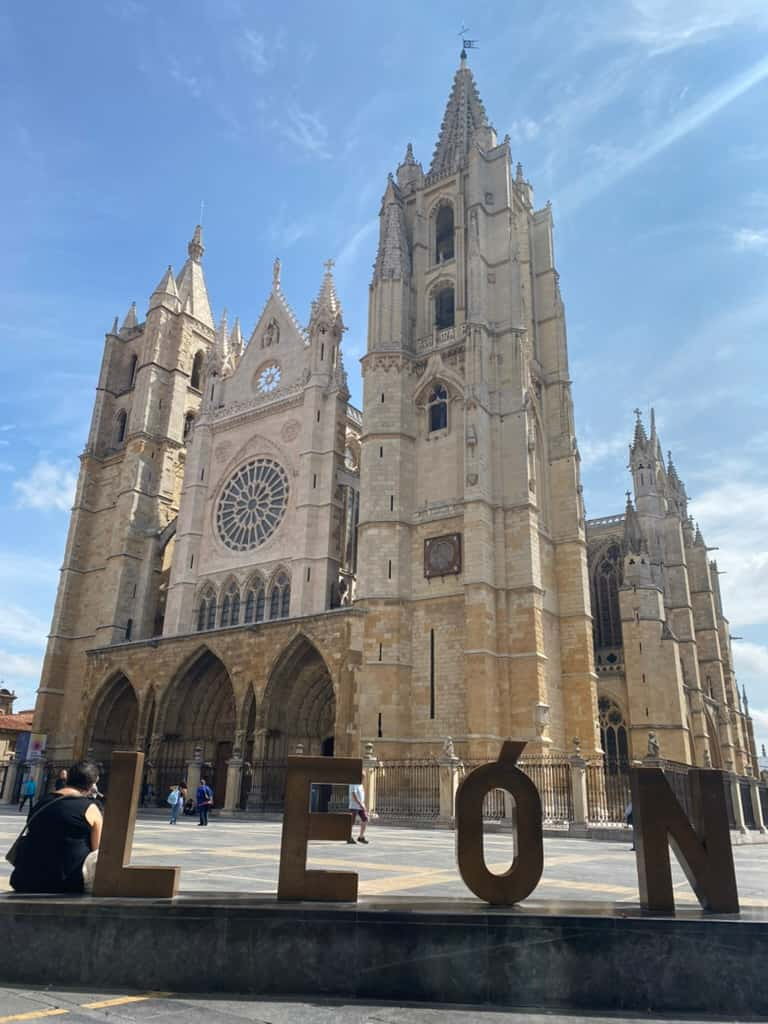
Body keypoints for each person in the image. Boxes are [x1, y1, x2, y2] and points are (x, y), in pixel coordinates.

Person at [10, 760, 103, 894]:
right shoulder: (91, 808)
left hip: (26, 878)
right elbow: (97, 850)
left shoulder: (41, 802)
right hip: (66, 881)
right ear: (92, 784)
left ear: (68, 779)